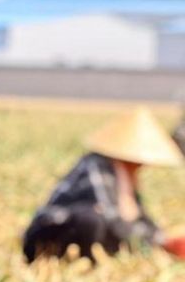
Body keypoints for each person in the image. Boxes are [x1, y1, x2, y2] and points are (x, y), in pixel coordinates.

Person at [23, 107, 185, 263]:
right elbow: (113, 217)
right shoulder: (97, 165)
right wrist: (152, 243)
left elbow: (138, 216)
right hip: (48, 233)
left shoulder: (125, 176)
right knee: (92, 219)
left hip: (87, 229)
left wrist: (160, 238)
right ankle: (81, 260)